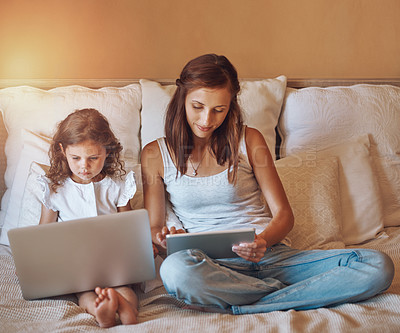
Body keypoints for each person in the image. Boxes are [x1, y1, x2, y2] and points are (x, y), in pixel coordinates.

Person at [141, 54, 395, 315]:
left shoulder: (249, 140)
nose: (207, 120)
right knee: (175, 272)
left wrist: (262, 242)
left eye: (219, 109)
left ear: (231, 106)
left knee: (377, 265)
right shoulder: (154, 155)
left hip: (271, 257)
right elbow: (153, 227)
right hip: (210, 265)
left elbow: (284, 216)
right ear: (181, 98)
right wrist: (163, 237)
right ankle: (286, 294)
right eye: (198, 106)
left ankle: (242, 303)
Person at [39, 108, 138, 327]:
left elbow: (130, 228)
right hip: (77, 267)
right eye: (76, 158)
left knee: (126, 290)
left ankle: (127, 309)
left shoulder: (116, 186)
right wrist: (33, 261)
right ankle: (101, 311)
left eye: (93, 158)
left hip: (113, 264)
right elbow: (42, 234)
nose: (84, 166)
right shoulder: (56, 189)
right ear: (62, 150)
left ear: (107, 152)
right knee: (84, 295)